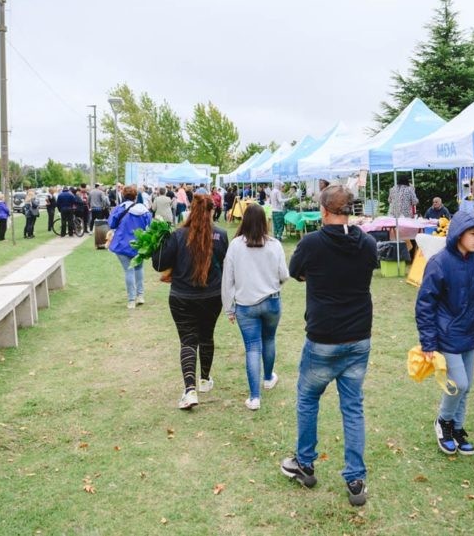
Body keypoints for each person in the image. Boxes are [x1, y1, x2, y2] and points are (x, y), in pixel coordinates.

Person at [281, 185, 378, 507]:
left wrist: (320, 276)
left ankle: (305, 462)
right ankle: (355, 477)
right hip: (358, 336)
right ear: (349, 209)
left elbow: (295, 272)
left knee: (308, 398)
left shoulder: (312, 243)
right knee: (352, 407)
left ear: (324, 210)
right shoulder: (366, 242)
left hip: (324, 337)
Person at [414, 210, 474, 457]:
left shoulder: (473, 261)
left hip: (469, 333)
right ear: (458, 233)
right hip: (446, 335)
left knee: (466, 386)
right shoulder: (439, 262)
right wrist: (428, 341)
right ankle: (443, 422)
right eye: (472, 233)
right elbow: (425, 304)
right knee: (459, 384)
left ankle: (457, 428)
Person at [152, 194, 229, 410]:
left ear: (190, 210)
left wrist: (157, 245)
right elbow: (226, 264)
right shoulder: (221, 235)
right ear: (212, 211)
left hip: (182, 297)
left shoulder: (177, 236)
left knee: (188, 341)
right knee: (206, 336)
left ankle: (190, 390)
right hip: (212, 296)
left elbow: (159, 264)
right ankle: (204, 379)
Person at [221, 204, 289, 410]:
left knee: (252, 348)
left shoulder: (235, 245)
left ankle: (254, 397)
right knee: (269, 339)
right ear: (264, 222)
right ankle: (268, 378)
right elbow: (284, 275)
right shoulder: (274, 245)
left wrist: (228, 308)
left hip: (245, 305)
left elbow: (227, 280)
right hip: (271, 301)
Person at [109, 186, 153, 310]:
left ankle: (131, 300)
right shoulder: (144, 210)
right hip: (139, 245)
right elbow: (149, 227)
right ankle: (140, 295)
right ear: (135, 196)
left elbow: (111, 224)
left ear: (123, 195)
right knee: (139, 269)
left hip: (122, 244)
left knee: (129, 271)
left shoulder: (120, 209)